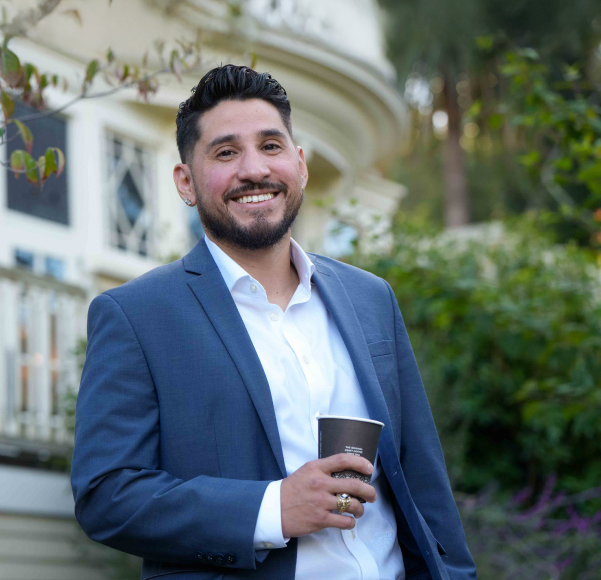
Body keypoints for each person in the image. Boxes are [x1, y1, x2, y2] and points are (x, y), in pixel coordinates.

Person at [70, 65, 477, 580]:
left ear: (300, 165)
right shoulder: (136, 316)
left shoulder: (370, 298)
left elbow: (422, 478)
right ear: (185, 182)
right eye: (225, 152)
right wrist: (272, 508)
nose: (254, 169)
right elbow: (107, 494)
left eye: (270, 146)